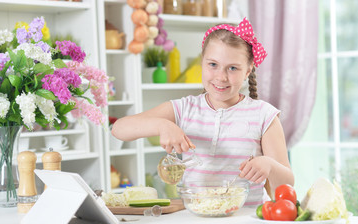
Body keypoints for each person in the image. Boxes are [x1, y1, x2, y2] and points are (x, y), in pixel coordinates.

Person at [112, 17, 294, 206]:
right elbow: (119, 129)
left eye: (232, 68)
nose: (221, 77)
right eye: (212, 65)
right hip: (196, 217)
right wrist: (162, 125)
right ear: (202, 62)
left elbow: (287, 185)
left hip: (246, 221)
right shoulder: (185, 109)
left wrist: (269, 165)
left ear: (248, 71)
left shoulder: (263, 115)